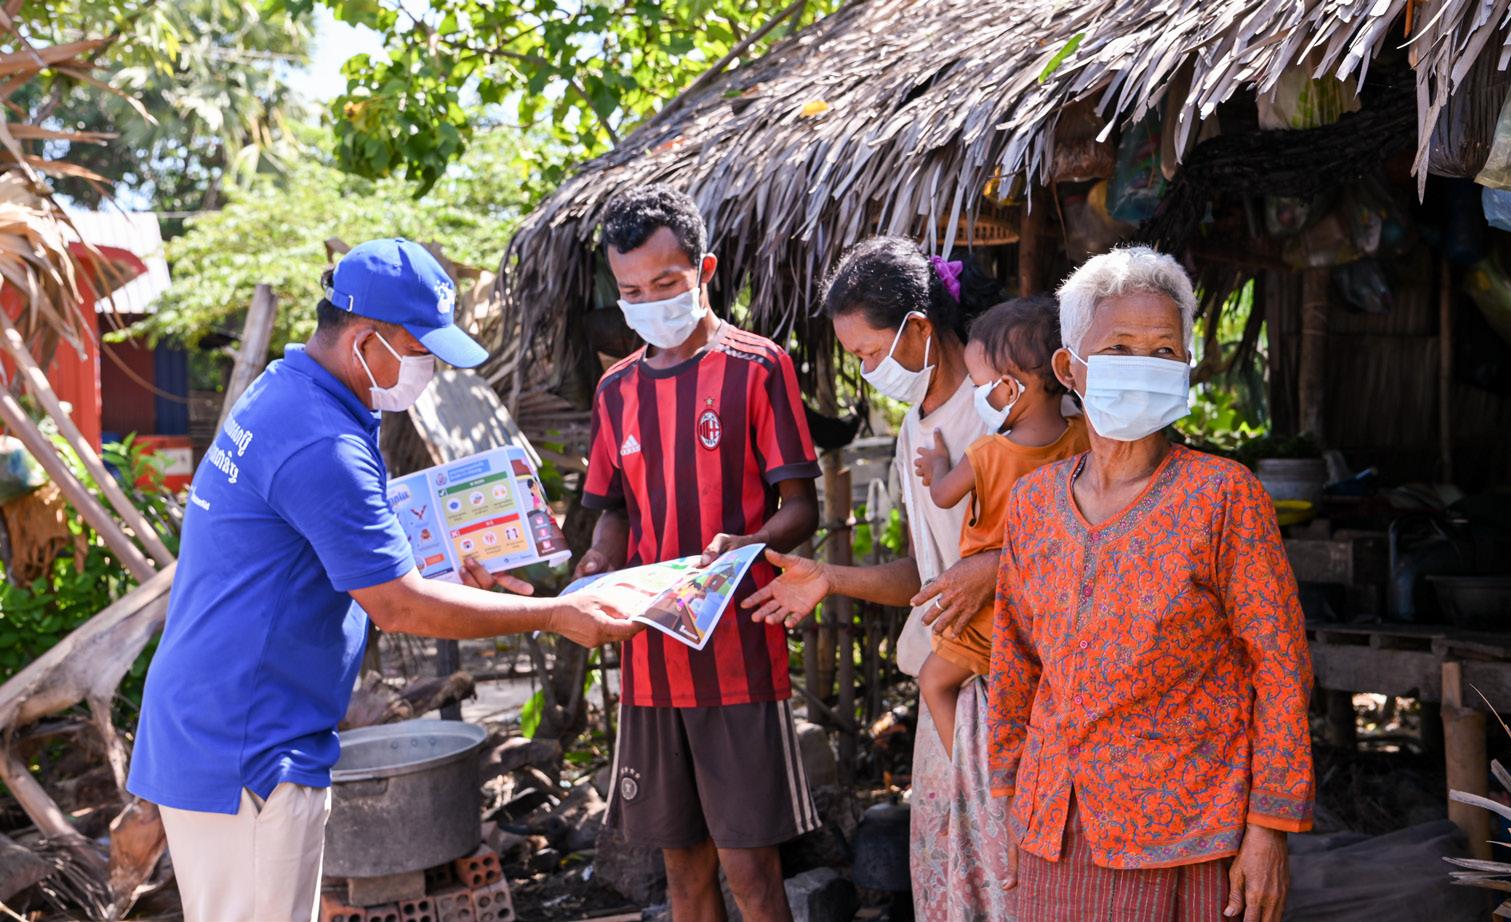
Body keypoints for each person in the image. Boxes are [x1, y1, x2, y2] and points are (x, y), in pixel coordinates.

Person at [126, 239, 642, 922]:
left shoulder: (291, 391)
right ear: (366, 340)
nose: (428, 371)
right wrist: (554, 615)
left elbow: (328, 546)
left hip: (229, 724)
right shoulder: (323, 442)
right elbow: (398, 606)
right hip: (248, 747)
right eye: (420, 350)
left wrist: (441, 559)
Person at [986, 246, 1313, 922]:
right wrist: (1009, 799)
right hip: (1056, 823)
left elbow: (1280, 667)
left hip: (1194, 828)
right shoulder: (1033, 502)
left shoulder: (1223, 496)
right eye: (1118, 348)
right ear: (1068, 368)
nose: (1142, 364)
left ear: (1187, 364)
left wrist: (1269, 827)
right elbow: (1014, 662)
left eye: (1164, 351)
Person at [742, 236, 1014, 922]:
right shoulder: (911, 433)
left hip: (1011, 689)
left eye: (869, 353)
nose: (867, 372)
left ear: (918, 329)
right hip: (947, 694)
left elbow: (1062, 543)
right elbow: (928, 574)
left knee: (1013, 885)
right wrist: (829, 579)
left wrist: (991, 568)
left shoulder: (999, 411)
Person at [582, 185, 821, 922]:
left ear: (703, 270)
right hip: (649, 660)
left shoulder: (758, 366)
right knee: (681, 872)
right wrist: (596, 564)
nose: (648, 301)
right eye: (631, 292)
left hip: (738, 655)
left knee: (752, 873)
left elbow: (801, 507)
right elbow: (612, 509)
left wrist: (749, 545)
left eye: (665, 284)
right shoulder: (615, 390)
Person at [913, 297, 1088, 759]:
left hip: (989, 613)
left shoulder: (986, 454)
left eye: (979, 386)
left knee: (933, 680)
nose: (976, 397)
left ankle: (974, 772)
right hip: (1052, 610)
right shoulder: (1082, 439)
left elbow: (942, 494)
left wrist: (937, 464)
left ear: (1009, 389)